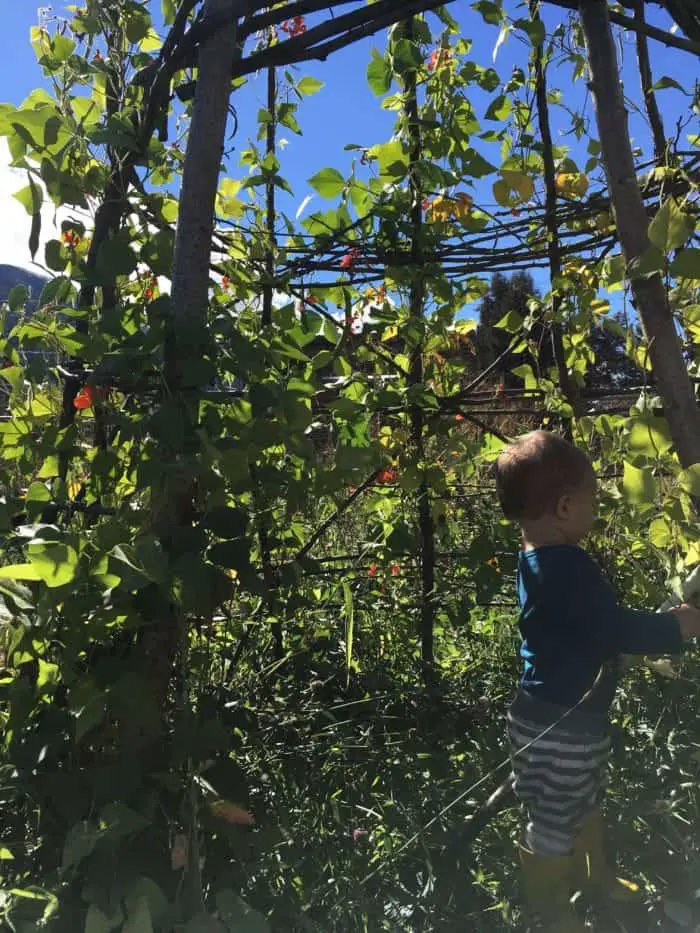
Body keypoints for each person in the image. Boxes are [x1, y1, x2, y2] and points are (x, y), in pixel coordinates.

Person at [494, 430, 700, 932]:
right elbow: (613, 630)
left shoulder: (535, 558)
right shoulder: (569, 566)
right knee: (555, 819)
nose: (596, 510)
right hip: (563, 727)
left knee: (580, 801)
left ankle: (594, 875)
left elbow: (590, 628)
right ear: (565, 507)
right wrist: (676, 626)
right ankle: (551, 908)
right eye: (591, 502)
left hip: (551, 718)